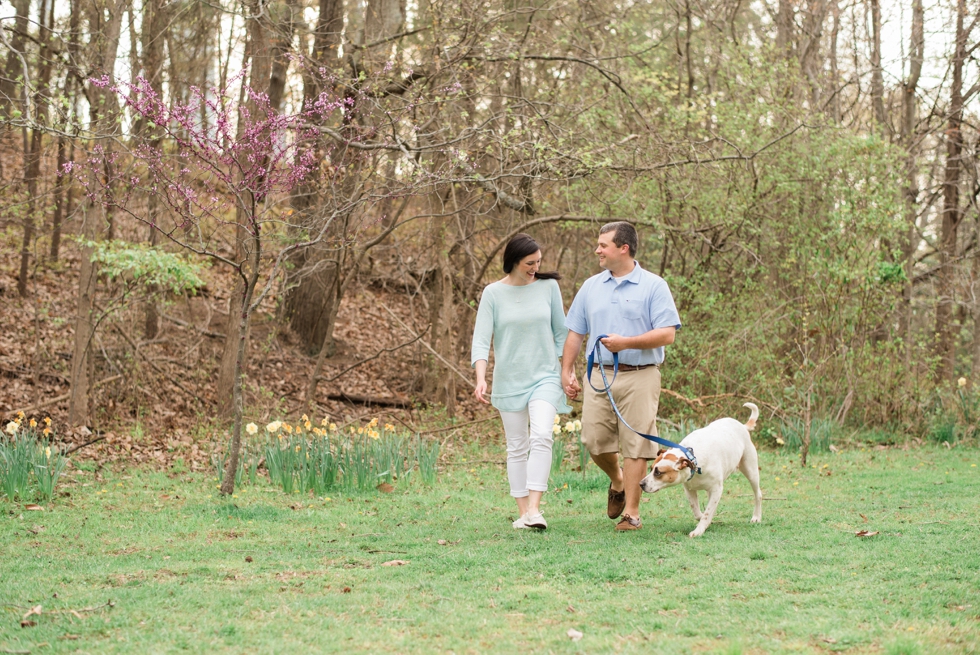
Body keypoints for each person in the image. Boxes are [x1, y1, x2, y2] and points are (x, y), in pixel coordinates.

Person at [562, 222, 681, 531]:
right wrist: (566, 371)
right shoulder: (591, 286)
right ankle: (617, 480)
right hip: (599, 375)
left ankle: (631, 513)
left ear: (623, 248)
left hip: (641, 375)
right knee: (594, 441)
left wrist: (626, 343)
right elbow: (576, 332)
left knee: (636, 445)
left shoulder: (654, 286)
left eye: (603, 245)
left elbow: (667, 334)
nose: (597, 250)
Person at [471, 234, 570, 530]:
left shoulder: (548, 287)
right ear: (513, 262)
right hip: (509, 378)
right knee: (516, 445)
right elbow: (480, 340)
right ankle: (524, 511)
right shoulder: (492, 294)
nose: (535, 268)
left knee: (541, 435)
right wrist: (480, 377)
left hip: (545, 376)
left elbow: (561, 333)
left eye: (539, 262)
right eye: (530, 263)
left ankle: (535, 510)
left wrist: (564, 367)